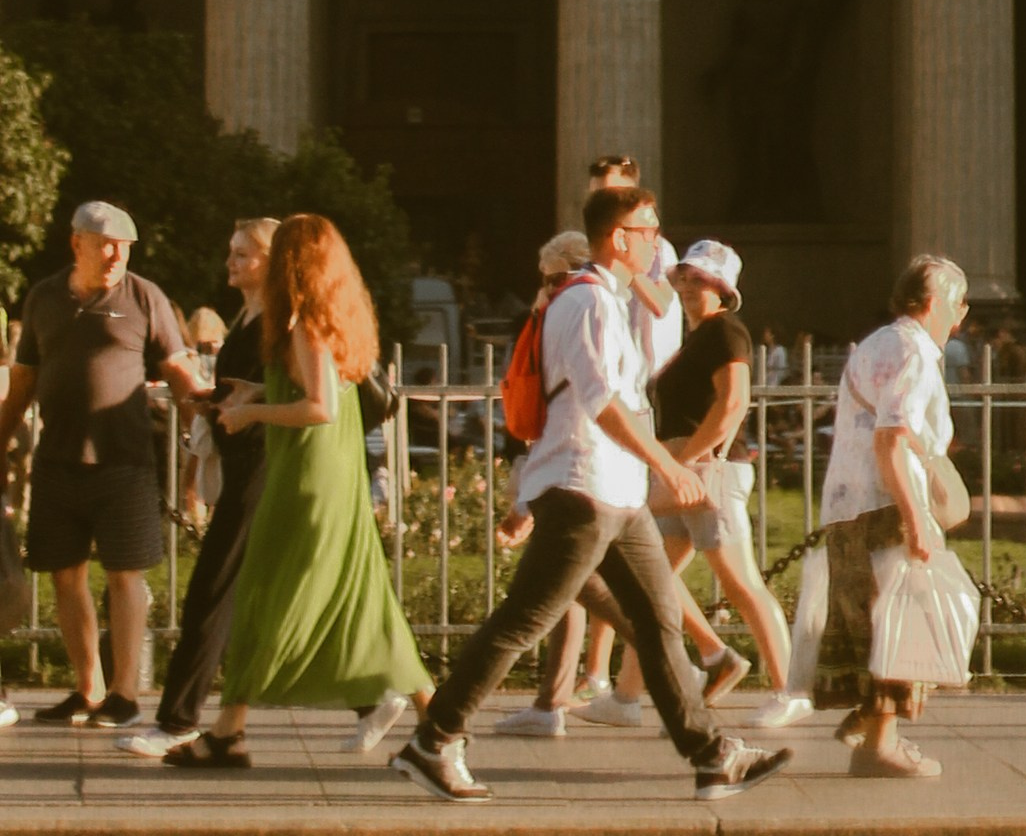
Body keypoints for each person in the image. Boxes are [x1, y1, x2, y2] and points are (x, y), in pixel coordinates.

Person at [397, 181, 790, 801]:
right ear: (619, 238)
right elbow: (601, 403)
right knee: (524, 619)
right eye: (649, 231)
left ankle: (712, 755)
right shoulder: (586, 303)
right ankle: (434, 740)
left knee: (659, 618)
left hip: (615, 491)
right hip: (585, 489)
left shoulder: (608, 300)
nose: (658, 242)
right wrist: (669, 464)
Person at [206, 211, 429, 758]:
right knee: (363, 598)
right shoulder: (335, 317)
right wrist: (260, 392)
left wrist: (248, 416)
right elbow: (324, 388)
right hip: (335, 476)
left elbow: (318, 407)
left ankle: (227, 730)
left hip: (306, 478)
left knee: (263, 593)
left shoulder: (302, 322)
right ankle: (438, 716)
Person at [0, 198, 202, 727]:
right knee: (65, 577)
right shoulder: (44, 298)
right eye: (106, 245)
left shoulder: (145, 297)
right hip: (58, 463)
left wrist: (201, 408)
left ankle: (125, 693)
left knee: (124, 576)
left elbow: (179, 367)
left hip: (125, 462)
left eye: (125, 247)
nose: (116, 255)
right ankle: (86, 689)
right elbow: (21, 384)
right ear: (77, 244)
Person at [608, 241, 797, 719]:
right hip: (685, 475)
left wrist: (686, 460)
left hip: (708, 474)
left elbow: (733, 402)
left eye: (704, 279)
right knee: (650, 576)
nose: (692, 285)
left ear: (724, 289)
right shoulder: (697, 338)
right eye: (687, 276)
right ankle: (629, 695)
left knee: (741, 583)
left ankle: (789, 690)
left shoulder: (723, 332)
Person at [125, 218, 277, 766]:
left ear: (269, 260)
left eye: (243, 254)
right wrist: (205, 398)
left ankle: (180, 721)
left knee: (212, 592)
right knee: (258, 597)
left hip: (259, 467)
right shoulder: (249, 314)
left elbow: (293, 393)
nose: (231, 262)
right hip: (241, 464)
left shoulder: (279, 319)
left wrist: (236, 405)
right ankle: (381, 697)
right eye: (230, 252)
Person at [815, 253, 969, 783]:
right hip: (886, 503)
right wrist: (918, 516)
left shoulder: (878, 342)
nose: (960, 314)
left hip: (845, 502)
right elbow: (892, 440)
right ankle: (880, 746)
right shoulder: (916, 353)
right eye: (956, 303)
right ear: (933, 304)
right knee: (898, 626)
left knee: (871, 622)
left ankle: (872, 725)